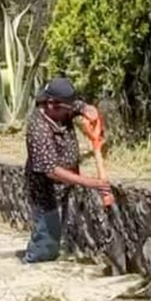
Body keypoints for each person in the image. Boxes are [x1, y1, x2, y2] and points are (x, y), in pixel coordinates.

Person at [22, 77, 111, 264]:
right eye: (68, 109)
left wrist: (90, 112)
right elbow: (51, 170)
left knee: (59, 235)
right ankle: (34, 266)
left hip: (65, 188)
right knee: (45, 241)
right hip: (45, 193)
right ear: (52, 104)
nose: (71, 112)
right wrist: (91, 183)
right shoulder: (38, 128)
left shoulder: (63, 106)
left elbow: (80, 107)